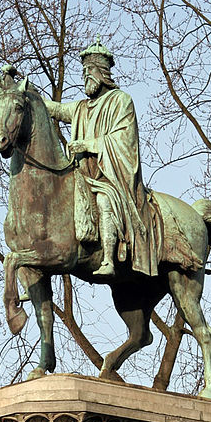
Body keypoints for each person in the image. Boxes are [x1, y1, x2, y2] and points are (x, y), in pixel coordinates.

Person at [44, 37, 158, 278]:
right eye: (83, 71)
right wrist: (26, 91)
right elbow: (54, 108)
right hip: (82, 176)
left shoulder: (121, 101)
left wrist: (87, 144)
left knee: (105, 201)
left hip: (109, 179)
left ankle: (108, 259)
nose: (85, 76)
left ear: (103, 73)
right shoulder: (82, 107)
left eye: (89, 71)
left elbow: (124, 141)